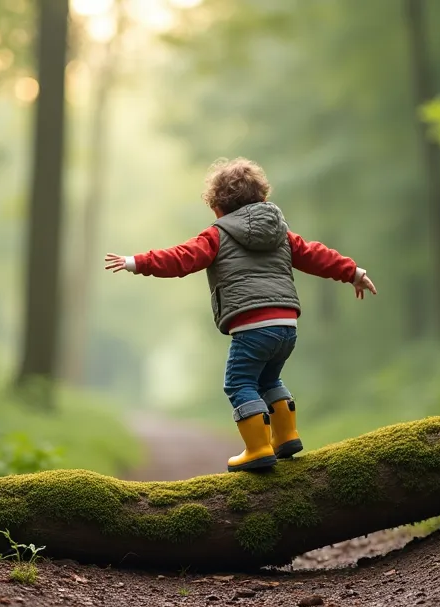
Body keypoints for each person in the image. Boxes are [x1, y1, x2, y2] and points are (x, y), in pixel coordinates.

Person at [104, 157, 377, 472]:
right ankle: (286, 436)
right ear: (262, 198)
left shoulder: (217, 235)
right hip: (287, 325)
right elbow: (316, 255)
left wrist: (137, 261)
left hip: (252, 325)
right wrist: (353, 272)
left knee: (238, 382)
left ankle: (258, 448)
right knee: (269, 378)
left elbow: (182, 259)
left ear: (218, 208)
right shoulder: (281, 233)